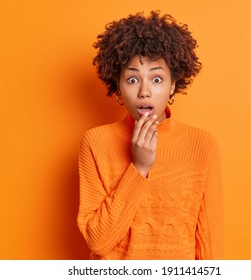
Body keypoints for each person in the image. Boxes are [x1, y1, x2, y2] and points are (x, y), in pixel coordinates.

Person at [77, 11, 224, 260]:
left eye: (156, 79)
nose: (145, 91)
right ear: (118, 87)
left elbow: (210, 243)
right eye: (132, 79)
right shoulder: (95, 143)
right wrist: (139, 167)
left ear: (173, 85)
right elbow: (98, 242)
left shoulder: (202, 145)